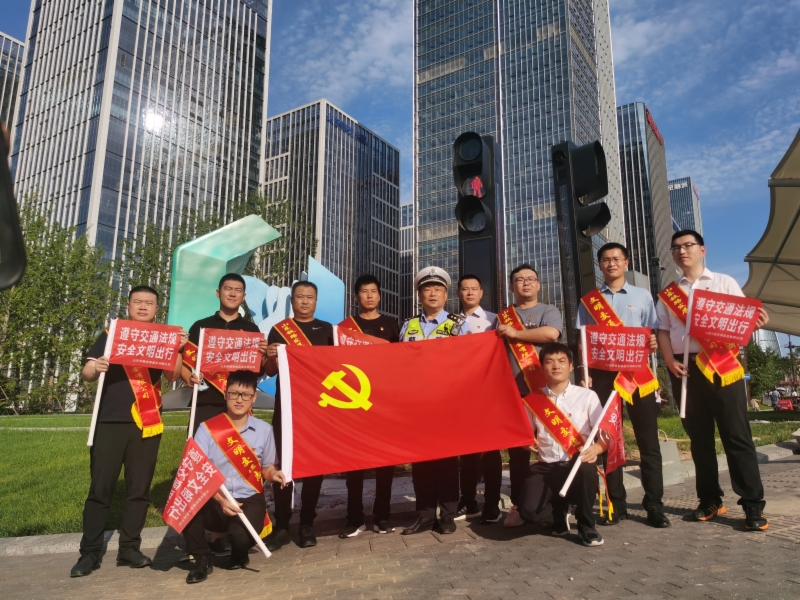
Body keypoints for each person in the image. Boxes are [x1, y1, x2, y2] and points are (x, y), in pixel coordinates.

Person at [656, 229, 770, 531]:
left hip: (721, 365)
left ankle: (752, 505)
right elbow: (662, 331)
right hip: (685, 369)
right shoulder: (669, 294)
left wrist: (757, 321)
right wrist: (669, 361)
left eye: (688, 245)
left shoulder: (723, 282)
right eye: (676, 247)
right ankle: (710, 500)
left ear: (702, 250)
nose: (682, 251)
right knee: (700, 439)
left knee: (736, 435)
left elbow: (744, 318)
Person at [70, 286, 188, 577]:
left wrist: (178, 349)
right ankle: (90, 552)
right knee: (100, 489)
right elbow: (86, 373)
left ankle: (129, 548)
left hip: (147, 425)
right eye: (138, 301)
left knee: (139, 490)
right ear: (128, 305)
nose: (143, 306)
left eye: (149, 302)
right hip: (110, 422)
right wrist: (97, 366)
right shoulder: (112, 333)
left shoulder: (164, 337)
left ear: (157, 309)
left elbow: (173, 375)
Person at [575, 242, 670, 528]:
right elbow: (583, 340)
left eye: (616, 258)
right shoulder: (589, 301)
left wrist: (652, 342)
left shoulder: (643, 296)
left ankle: (654, 504)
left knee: (648, 441)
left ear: (626, 263)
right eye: (606, 259)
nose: (611, 263)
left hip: (637, 375)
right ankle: (616, 504)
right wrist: (585, 373)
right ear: (600, 264)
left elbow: (651, 335)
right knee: (608, 440)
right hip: (603, 376)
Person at [182, 273, 268, 556]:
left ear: (244, 296)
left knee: (235, 462)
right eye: (228, 289)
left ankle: (233, 526)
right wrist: (188, 376)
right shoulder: (201, 327)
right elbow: (185, 366)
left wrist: (264, 355)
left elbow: (257, 371)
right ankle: (210, 534)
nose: (232, 293)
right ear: (218, 293)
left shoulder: (251, 329)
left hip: (238, 404)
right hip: (207, 402)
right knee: (205, 464)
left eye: (238, 290)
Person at [185, 370, 286, 584]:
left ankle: (240, 554)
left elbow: (267, 467)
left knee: (240, 536)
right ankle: (202, 559)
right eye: (234, 393)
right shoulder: (207, 429)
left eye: (245, 395)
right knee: (185, 502)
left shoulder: (264, 430)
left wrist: (274, 473)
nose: (239, 400)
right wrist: (221, 500)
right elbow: (198, 471)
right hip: (214, 496)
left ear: (254, 397)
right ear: (225, 394)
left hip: (248, 499)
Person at [399, 266, 471, 535]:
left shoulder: (458, 325)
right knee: (421, 462)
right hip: (416, 405)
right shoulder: (407, 326)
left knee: (448, 461)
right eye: (427, 289)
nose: (432, 293)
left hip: (446, 403)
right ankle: (425, 515)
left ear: (446, 294)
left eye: (437, 289)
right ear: (419, 295)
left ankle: (448, 515)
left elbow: (468, 361)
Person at [263, 281, 334, 550]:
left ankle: (306, 524)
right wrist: (271, 356)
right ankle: (282, 525)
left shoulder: (328, 331)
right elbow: (270, 370)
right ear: (292, 300)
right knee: (284, 464)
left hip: (317, 408)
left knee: (314, 465)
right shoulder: (280, 329)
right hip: (287, 407)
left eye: (310, 297)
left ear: (316, 301)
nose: (304, 301)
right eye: (300, 297)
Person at [492, 264, 562, 527]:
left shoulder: (548, 310)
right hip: (515, 393)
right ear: (512, 287)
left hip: (547, 392)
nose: (526, 283)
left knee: (554, 448)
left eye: (531, 279)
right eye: (519, 280)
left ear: (538, 284)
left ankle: (560, 503)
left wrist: (516, 333)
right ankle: (518, 506)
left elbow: (551, 333)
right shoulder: (502, 317)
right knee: (518, 454)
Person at [517, 343, 607, 547]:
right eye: (549, 362)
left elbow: (606, 434)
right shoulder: (532, 400)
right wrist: (525, 443)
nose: (556, 366)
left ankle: (586, 525)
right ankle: (558, 513)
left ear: (571, 366)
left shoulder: (587, 396)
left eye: (561, 361)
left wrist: (597, 448)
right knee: (528, 511)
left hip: (577, 464)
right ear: (542, 368)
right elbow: (525, 435)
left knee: (587, 470)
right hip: (547, 466)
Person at [338, 274, 400, 538]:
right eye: (364, 291)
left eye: (374, 291)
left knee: (386, 461)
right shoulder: (344, 328)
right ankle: (354, 518)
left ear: (380, 295)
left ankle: (382, 516)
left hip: (384, 402)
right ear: (356, 297)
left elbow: (401, 361)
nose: (370, 295)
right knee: (354, 463)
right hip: (355, 402)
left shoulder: (392, 325)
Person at [455, 274, 497, 521]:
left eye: (474, 289)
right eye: (465, 289)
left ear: (481, 292)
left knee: (491, 450)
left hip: (489, 393)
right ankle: (468, 501)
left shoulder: (494, 320)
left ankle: (491, 503)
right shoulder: (451, 322)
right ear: (458, 293)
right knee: (467, 450)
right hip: (462, 393)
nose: (470, 293)